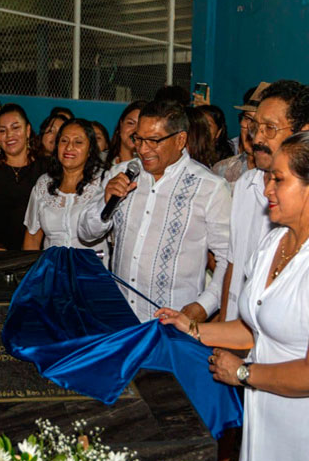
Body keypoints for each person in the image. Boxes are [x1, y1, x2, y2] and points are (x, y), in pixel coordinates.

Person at [158, 131, 309, 461]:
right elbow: (255, 330)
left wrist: (245, 374)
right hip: (267, 417)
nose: (267, 189)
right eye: (268, 177)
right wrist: (194, 328)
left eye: (278, 179)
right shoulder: (274, 243)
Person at [78, 99, 231, 323]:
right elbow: (86, 233)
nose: (142, 149)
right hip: (120, 319)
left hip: (173, 321)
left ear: (180, 139)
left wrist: (203, 307)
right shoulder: (122, 173)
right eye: (138, 139)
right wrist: (105, 201)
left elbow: (227, 259)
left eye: (153, 141)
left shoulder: (209, 187)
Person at [220, 79, 309, 322]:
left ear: (303, 134)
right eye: (255, 127)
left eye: (270, 129)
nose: (257, 139)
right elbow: (234, 265)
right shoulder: (245, 184)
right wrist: (222, 327)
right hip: (235, 336)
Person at [23, 119, 107, 259]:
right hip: (53, 272)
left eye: (78, 142)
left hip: (90, 273)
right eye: (64, 141)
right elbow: (32, 237)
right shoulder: (43, 183)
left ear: (90, 149)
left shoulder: (103, 182)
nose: (69, 147)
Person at [0, 103, 45, 251]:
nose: (9, 135)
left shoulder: (46, 170)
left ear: (28, 130)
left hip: (38, 258)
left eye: (16, 127)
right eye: (2, 130)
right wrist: (6, 260)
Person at [213, 84, 268, 184]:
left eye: (261, 122)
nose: (252, 128)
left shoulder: (280, 178)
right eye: (248, 119)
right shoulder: (222, 170)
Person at [104, 100, 146, 170]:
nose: (135, 130)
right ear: (121, 125)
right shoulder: (101, 161)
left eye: (142, 125)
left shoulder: (152, 169)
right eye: (131, 123)